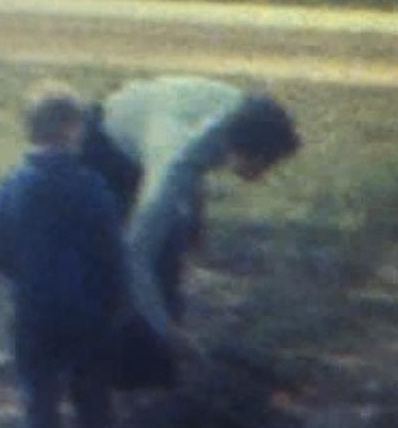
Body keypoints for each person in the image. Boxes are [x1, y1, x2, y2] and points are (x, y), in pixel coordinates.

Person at [79, 76, 301, 382]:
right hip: (106, 148)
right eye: (261, 164)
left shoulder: (241, 113)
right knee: (129, 259)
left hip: (154, 119)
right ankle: (120, 372)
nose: (262, 175)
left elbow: (201, 160)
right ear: (240, 148)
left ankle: (155, 366)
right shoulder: (174, 158)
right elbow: (135, 255)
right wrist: (166, 329)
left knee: (173, 241)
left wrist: (196, 218)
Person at [0, 83, 128, 428]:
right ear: (70, 130)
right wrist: (115, 295)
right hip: (87, 304)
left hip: (35, 302)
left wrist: (21, 274)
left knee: (38, 381)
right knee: (91, 380)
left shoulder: (14, 184)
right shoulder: (92, 187)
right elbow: (110, 248)